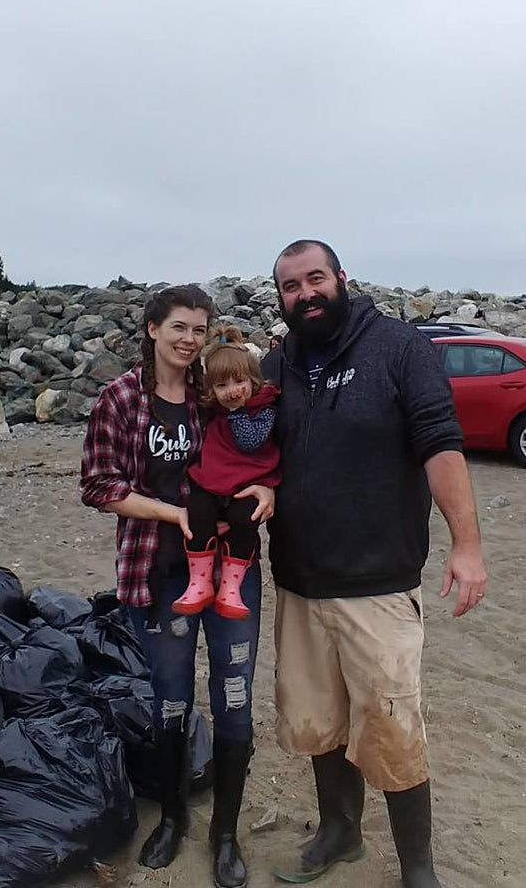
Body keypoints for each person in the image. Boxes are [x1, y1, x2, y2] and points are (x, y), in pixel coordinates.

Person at [261, 240, 488, 888]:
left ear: (340, 278)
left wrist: (466, 545)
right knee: (316, 722)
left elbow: (440, 443)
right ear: (279, 297)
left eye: (313, 278)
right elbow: (247, 451)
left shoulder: (397, 347)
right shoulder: (278, 365)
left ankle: (417, 867)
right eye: (289, 286)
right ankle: (339, 832)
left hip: (378, 587)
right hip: (299, 585)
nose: (303, 293)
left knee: (390, 729)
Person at [81, 284, 274, 888]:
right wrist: (172, 514)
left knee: (233, 696)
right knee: (170, 697)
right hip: (157, 572)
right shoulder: (119, 398)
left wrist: (273, 490)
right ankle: (172, 819)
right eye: (178, 328)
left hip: (232, 574)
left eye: (199, 328)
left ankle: (225, 834)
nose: (189, 340)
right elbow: (98, 484)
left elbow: (268, 444)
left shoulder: (212, 393)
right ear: (152, 329)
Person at [173, 326, 280, 620]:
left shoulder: (264, 408)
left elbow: (250, 441)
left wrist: (235, 411)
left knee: (243, 520)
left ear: (252, 381)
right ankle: (200, 581)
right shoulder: (214, 410)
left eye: (239, 382)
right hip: (216, 476)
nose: (232, 391)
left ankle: (231, 586)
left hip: (249, 478)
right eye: (222, 386)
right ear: (211, 390)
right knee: (198, 511)